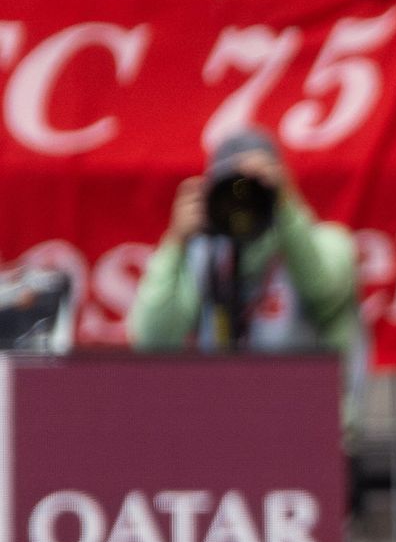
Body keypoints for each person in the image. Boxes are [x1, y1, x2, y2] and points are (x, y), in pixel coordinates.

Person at [128, 129, 366, 433]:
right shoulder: (203, 257)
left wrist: (286, 207)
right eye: (231, 189)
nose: (242, 199)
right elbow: (153, 341)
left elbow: (323, 289)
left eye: (255, 188)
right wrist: (175, 243)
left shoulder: (328, 243)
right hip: (228, 438)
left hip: (315, 438)